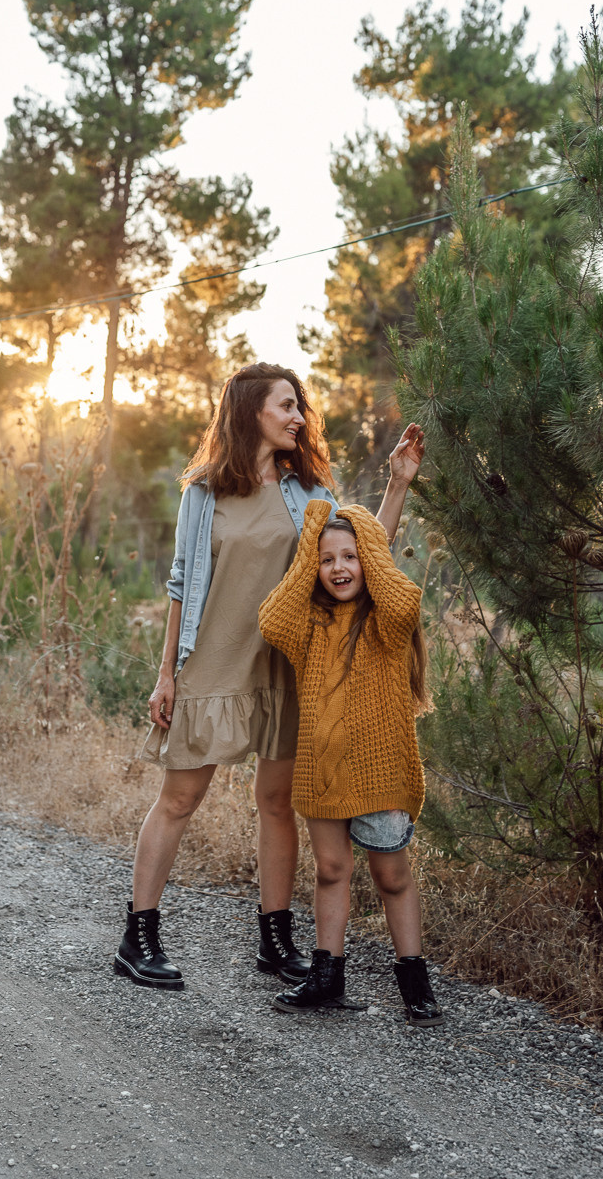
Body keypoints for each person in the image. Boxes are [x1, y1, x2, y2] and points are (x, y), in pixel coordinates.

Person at [113, 362, 424, 992]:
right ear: (253, 409)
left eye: (299, 407)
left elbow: (361, 555)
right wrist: (166, 672)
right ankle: (138, 936)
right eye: (286, 405)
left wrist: (396, 486)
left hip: (291, 669)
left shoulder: (307, 493)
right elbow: (179, 585)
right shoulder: (202, 493)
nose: (297, 417)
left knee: (277, 802)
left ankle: (275, 938)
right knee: (179, 799)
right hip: (215, 662)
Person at [258, 499, 443, 1025]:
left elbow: (405, 598)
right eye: (327, 560)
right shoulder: (308, 625)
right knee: (331, 869)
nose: (339, 568)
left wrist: (362, 527)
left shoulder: (386, 623)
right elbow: (271, 620)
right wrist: (314, 529)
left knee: (391, 876)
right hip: (322, 769)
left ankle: (413, 977)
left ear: (369, 560)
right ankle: (327, 975)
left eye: (350, 557)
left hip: (380, 772)